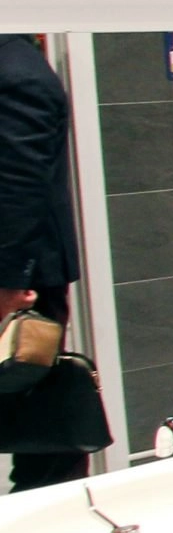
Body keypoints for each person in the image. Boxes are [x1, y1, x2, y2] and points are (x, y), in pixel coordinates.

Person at [0, 33, 82, 491]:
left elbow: (17, 185)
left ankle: (52, 516)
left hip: (21, 280)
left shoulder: (16, 73)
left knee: (40, 417)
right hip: (20, 273)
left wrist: (8, 282)